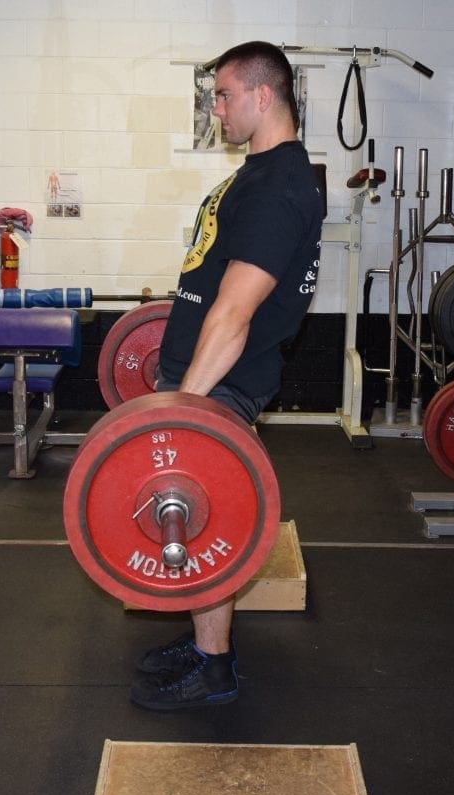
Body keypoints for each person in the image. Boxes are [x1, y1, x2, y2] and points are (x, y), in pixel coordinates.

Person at [130, 40, 323, 711]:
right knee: (195, 513)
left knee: (200, 519)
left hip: (219, 382)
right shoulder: (259, 174)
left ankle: (214, 668)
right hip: (203, 374)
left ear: (263, 96)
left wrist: (183, 407)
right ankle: (206, 643)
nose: (216, 109)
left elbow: (236, 312)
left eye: (223, 95)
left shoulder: (280, 187)